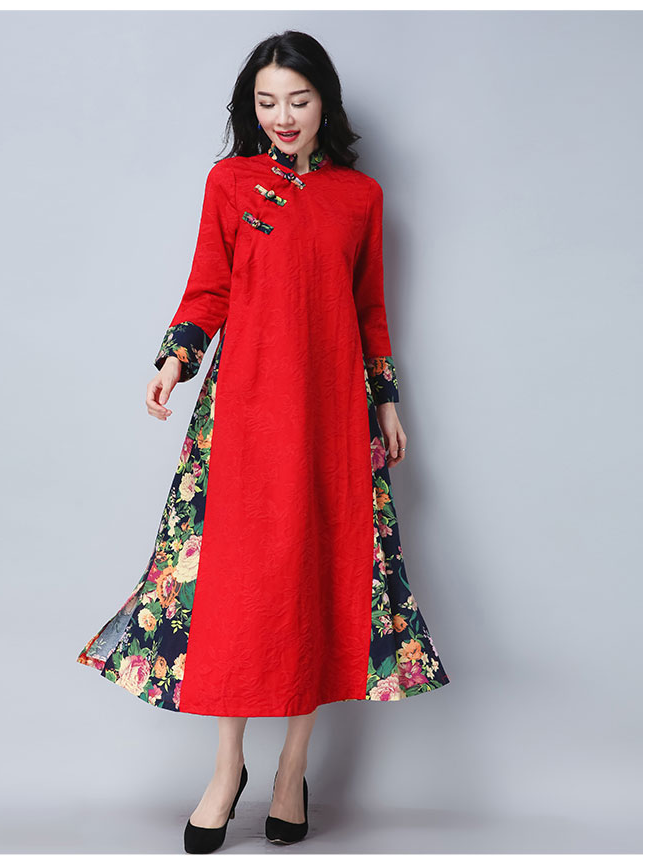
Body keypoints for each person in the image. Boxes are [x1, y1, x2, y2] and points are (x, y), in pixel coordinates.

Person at [76, 29, 450, 853]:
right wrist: (174, 360)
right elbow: (208, 287)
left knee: (316, 581)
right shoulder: (230, 182)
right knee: (240, 588)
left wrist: (387, 403)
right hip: (244, 412)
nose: (283, 116)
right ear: (252, 107)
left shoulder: (360, 197)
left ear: (326, 104)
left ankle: (291, 771)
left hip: (332, 416)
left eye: (299, 100)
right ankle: (226, 770)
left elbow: (371, 310)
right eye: (267, 101)